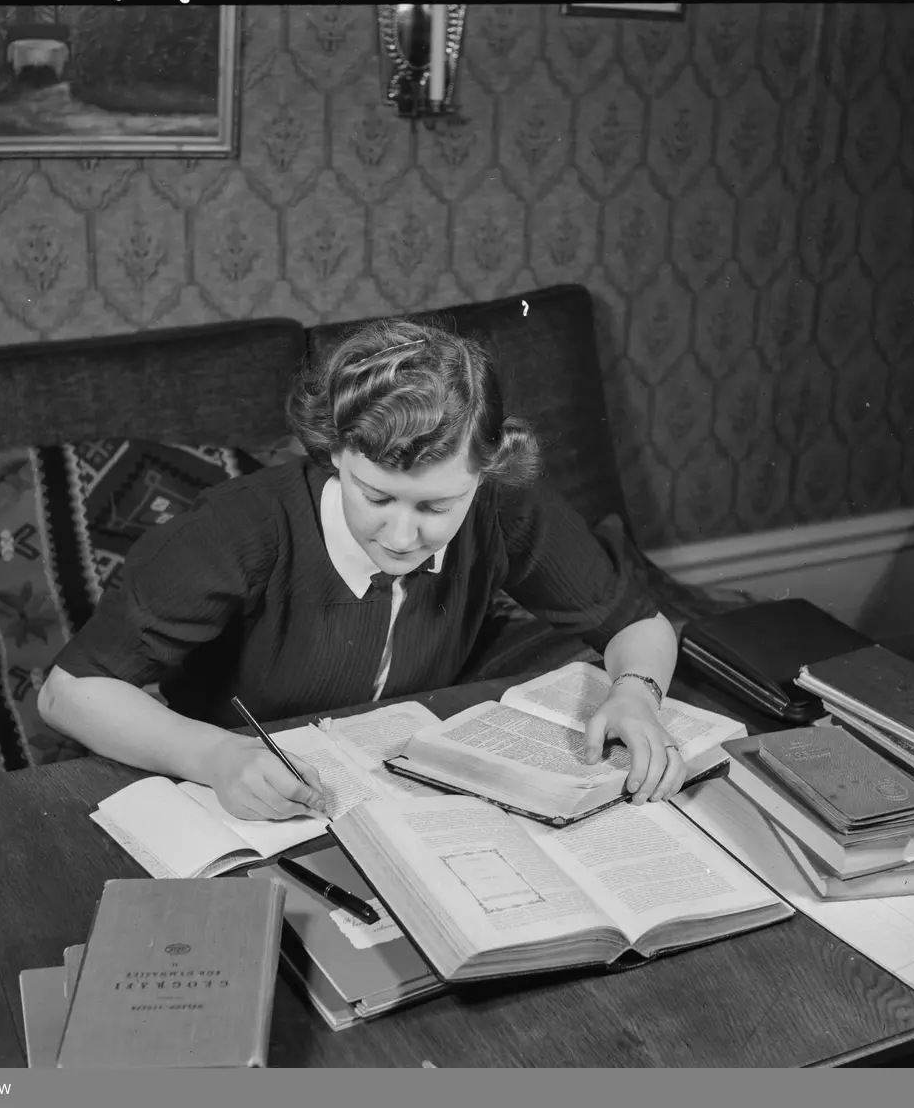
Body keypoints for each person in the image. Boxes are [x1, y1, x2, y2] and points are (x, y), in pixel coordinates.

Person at [39, 316, 685, 822]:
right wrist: (215, 756)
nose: (401, 537)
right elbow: (67, 693)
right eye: (375, 497)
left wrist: (635, 693)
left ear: (486, 470)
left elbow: (637, 623)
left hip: (405, 799)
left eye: (436, 506)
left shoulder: (502, 505)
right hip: (245, 799)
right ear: (335, 451)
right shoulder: (239, 528)